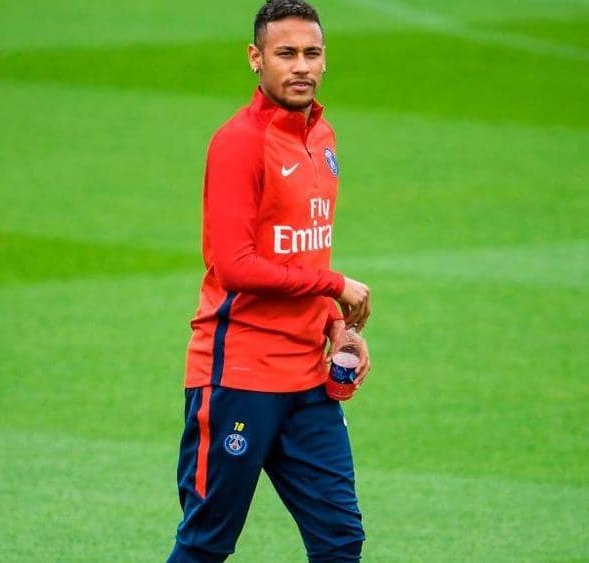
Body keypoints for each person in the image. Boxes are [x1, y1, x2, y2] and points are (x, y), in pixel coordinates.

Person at [166, 1, 371, 561]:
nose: (301, 66)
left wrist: (333, 325)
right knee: (206, 543)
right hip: (239, 375)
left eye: (312, 53)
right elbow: (235, 265)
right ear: (256, 58)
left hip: (307, 378)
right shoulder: (239, 142)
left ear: (325, 59)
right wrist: (334, 286)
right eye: (286, 54)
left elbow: (300, 248)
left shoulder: (321, 136)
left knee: (340, 539)